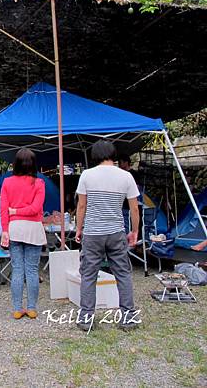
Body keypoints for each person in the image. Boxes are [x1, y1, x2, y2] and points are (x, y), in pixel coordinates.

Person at [75, 140, 140, 332]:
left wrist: (79, 228)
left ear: (95, 155)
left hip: (93, 232)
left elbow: (81, 206)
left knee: (88, 275)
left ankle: (86, 319)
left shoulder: (87, 175)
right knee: (123, 274)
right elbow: (134, 208)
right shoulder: (126, 176)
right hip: (116, 232)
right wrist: (134, 231)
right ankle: (128, 318)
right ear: (113, 154)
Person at [0, 149, 46, 320]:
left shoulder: (7, 182)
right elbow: (35, 209)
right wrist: (21, 210)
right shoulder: (39, 183)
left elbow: (4, 209)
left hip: (14, 229)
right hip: (33, 229)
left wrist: (5, 228)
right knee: (32, 270)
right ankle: (32, 308)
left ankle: (18, 308)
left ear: (15, 163)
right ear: (34, 164)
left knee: (17, 270)